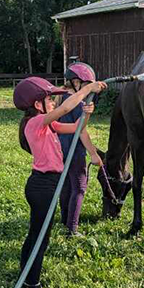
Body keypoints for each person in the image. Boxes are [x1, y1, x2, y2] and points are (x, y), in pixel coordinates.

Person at [13, 76, 106, 288]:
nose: (54, 103)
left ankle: (24, 278)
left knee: (36, 235)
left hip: (47, 185)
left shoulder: (48, 124)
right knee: (40, 240)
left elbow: (76, 128)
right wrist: (89, 88)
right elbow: (65, 106)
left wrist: (87, 114)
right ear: (38, 105)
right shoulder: (35, 123)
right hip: (42, 187)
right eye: (49, 100)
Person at [56, 62, 104, 237]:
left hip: (60, 148)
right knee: (79, 187)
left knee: (66, 185)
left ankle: (64, 219)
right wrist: (93, 153)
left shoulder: (60, 97)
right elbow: (81, 130)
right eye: (86, 85)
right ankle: (72, 229)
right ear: (76, 83)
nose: (88, 90)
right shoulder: (77, 103)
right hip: (74, 150)